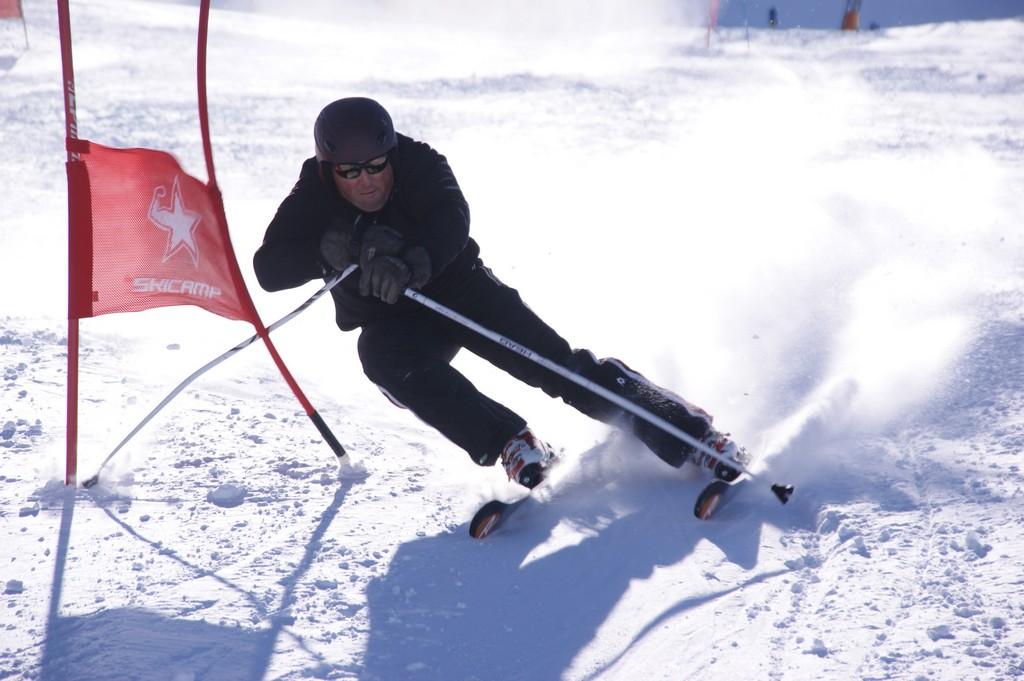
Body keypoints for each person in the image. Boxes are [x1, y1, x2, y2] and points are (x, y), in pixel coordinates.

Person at [254, 97, 747, 489]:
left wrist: (409, 262)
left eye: (377, 166)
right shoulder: (313, 195)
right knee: (381, 358)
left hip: (459, 287)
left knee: (555, 366)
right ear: (328, 168)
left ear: (392, 154)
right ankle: (514, 442)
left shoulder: (421, 163)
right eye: (350, 172)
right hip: (393, 323)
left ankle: (689, 433)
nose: (366, 181)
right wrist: (331, 246)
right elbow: (268, 270)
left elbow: (452, 218)